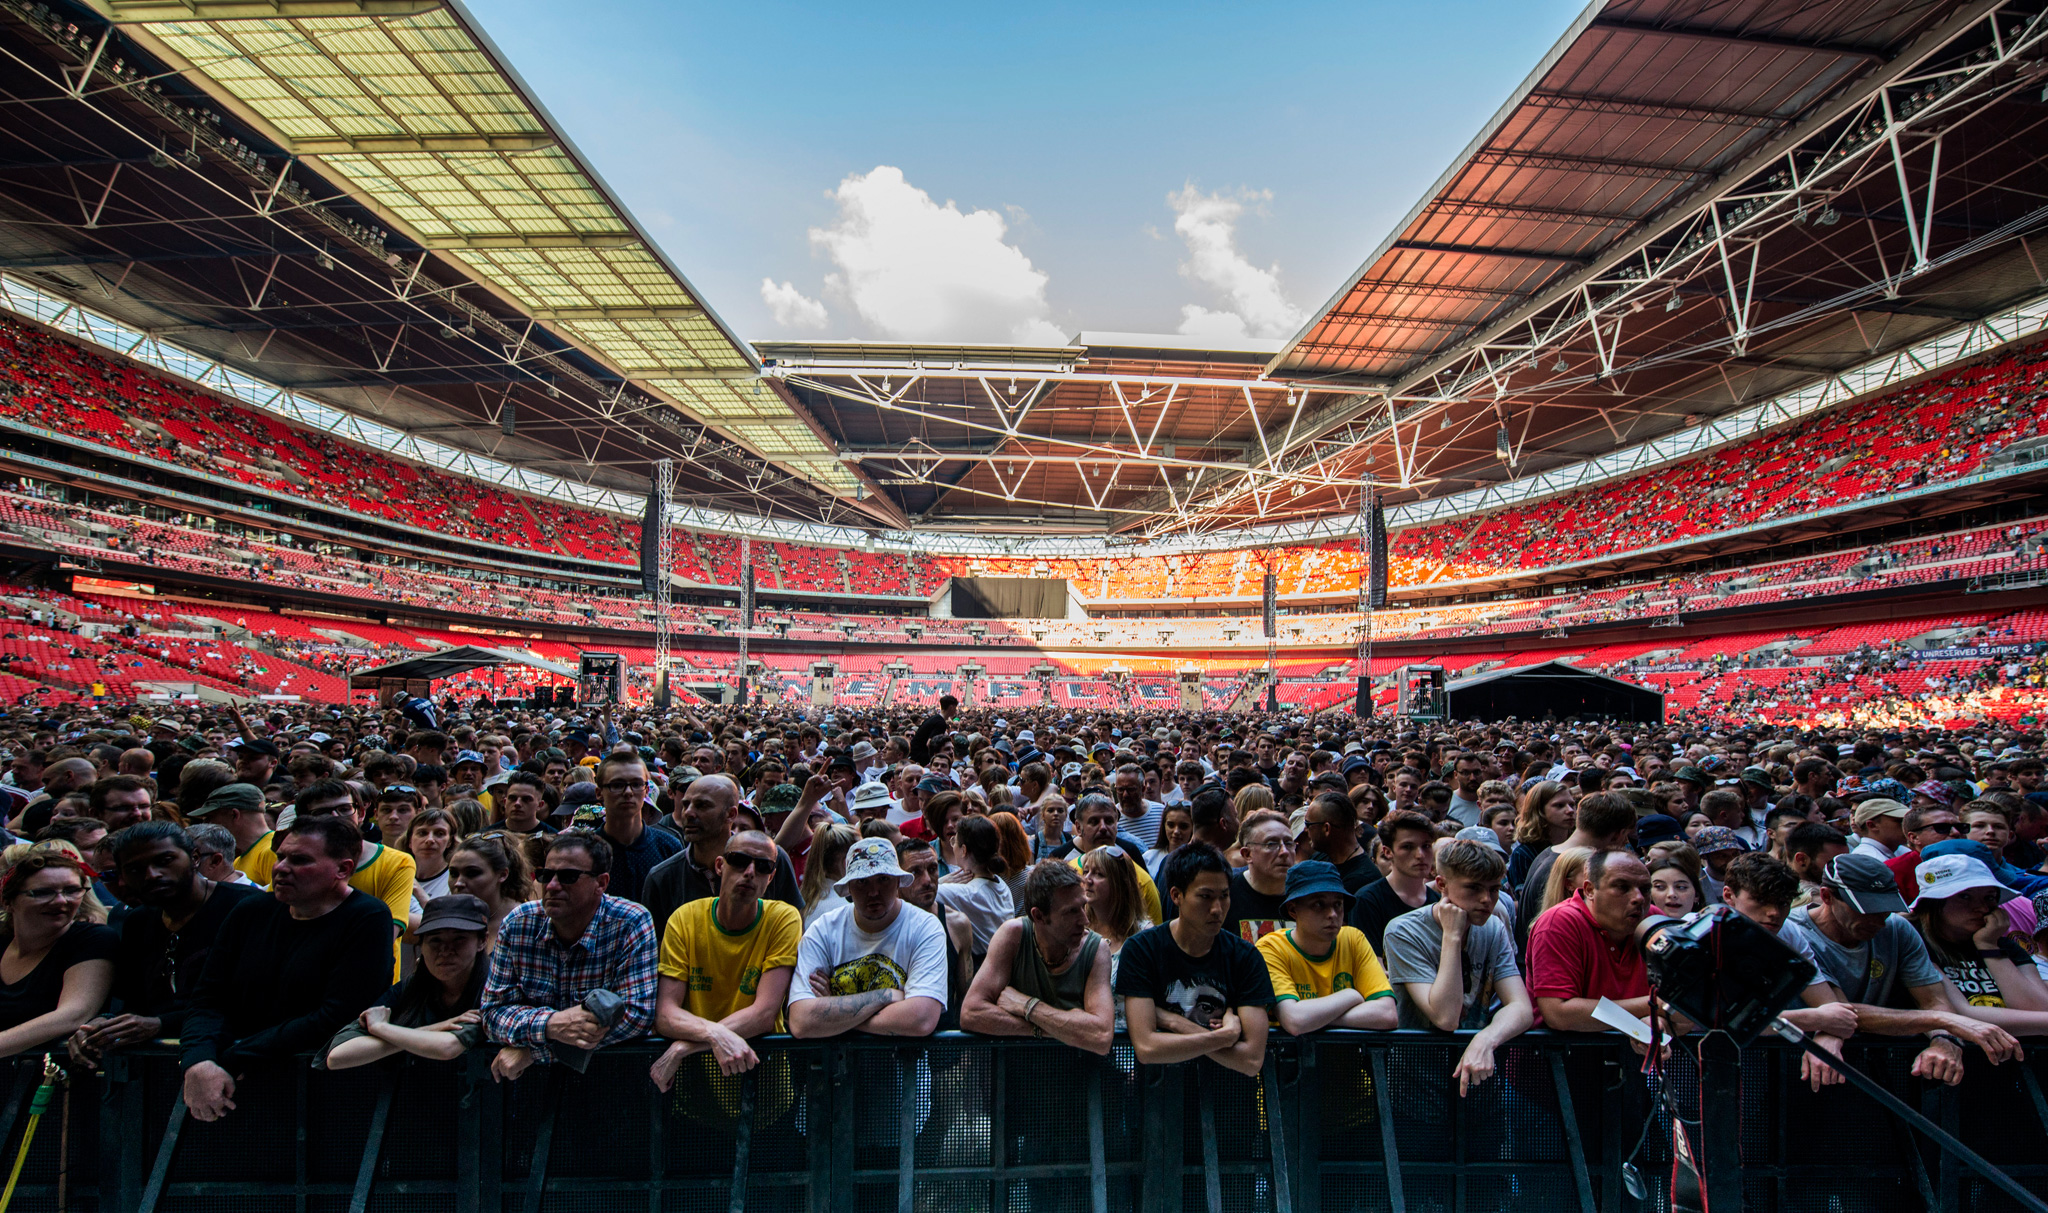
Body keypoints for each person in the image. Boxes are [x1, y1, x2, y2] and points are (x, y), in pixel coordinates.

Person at [179, 817, 396, 1121]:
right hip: (231, 1087)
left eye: (300, 860)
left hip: (325, 1093)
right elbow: (207, 998)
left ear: (343, 869)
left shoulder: (367, 918)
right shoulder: (251, 911)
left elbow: (339, 1013)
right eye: (280, 856)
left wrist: (233, 1057)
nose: (281, 867)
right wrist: (198, 1062)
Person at [1779, 855, 2030, 1086]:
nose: (1878, 920)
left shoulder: (1896, 927)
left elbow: (1934, 1000)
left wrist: (1943, 1040)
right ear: (1826, 896)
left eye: (1885, 908)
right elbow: (1840, 1013)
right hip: (1791, 1062)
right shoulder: (1794, 932)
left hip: (1873, 1065)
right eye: (1867, 909)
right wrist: (1945, 1021)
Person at [73, 822, 263, 1064]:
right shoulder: (138, 921)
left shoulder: (248, 908)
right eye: (135, 869)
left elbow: (252, 1002)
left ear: (194, 858)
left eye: (165, 861)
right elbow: (134, 1002)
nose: (152, 874)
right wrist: (103, 1025)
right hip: (156, 1068)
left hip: (234, 1061)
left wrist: (161, 1024)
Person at [480, 830, 658, 1082]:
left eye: (568, 877)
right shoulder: (518, 924)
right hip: (532, 1085)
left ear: (602, 883)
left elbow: (637, 1014)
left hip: (610, 1080)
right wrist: (552, 1024)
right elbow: (492, 1013)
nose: (551, 886)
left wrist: (538, 1051)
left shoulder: (630, 922)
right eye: (546, 875)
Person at [648, 829, 802, 1090]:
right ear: (720, 865)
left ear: (771, 877)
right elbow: (665, 1014)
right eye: (739, 860)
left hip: (762, 1086)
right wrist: (715, 1034)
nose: (750, 872)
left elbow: (764, 1013)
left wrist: (683, 1048)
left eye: (763, 866)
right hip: (694, 1090)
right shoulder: (684, 919)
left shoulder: (783, 919)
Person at [1383, 839, 1533, 1095]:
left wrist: (1486, 1038)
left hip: (1480, 1079)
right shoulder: (1403, 931)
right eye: (1473, 888)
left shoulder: (1493, 927)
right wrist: (1452, 936)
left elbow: (1521, 1007)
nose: (1487, 900)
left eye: (1494, 889)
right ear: (1442, 885)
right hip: (1417, 1088)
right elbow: (1446, 1017)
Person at [1115, 843, 1272, 1074]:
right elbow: (1147, 1048)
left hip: (1229, 1099)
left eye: (1225, 896)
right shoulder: (1141, 949)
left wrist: (1172, 1022)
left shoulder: (1245, 956)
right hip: (1157, 1096)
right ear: (1176, 896)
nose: (1217, 909)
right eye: (1205, 897)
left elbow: (1251, 1061)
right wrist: (1224, 1037)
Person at [1716, 853, 1855, 1089]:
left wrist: (1826, 1038)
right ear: (1729, 895)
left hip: (1764, 1069)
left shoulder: (1788, 932)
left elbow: (1832, 1009)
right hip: (1705, 1065)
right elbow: (1725, 1022)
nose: (1774, 913)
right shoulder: (1703, 934)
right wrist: (1819, 1020)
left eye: (1782, 903)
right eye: (1761, 900)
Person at [787, 837, 947, 1038]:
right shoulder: (823, 930)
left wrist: (834, 1010)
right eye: (863, 881)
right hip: (839, 1066)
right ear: (849, 888)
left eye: (883, 879)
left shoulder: (925, 928)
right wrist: (886, 996)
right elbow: (802, 1021)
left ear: (898, 881)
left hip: (905, 1065)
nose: (873, 892)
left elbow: (921, 1019)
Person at [961, 860, 1114, 1053]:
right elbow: (971, 1013)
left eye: (1083, 907)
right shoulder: (1013, 936)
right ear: (1039, 916)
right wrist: (1057, 1029)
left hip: (1078, 1076)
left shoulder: (1095, 949)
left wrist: (1028, 1007)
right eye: (1071, 912)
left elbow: (1100, 1035)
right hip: (1015, 1077)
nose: (1084, 920)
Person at [321, 894, 490, 1069]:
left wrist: (381, 1028)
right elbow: (338, 1055)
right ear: (421, 946)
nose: (445, 950)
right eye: (435, 940)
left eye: (459, 939)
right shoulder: (411, 987)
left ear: (482, 941)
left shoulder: (495, 988)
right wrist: (437, 1027)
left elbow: (448, 1046)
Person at [642, 773, 803, 937]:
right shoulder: (662, 878)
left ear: (731, 814)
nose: (688, 813)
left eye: (702, 805)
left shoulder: (768, 860)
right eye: (686, 805)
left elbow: (793, 933)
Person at [1257, 860, 1396, 1034]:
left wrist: (1314, 1019)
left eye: (1337, 904)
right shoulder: (1271, 948)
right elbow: (1294, 1020)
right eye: (1318, 904)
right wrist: (1350, 995)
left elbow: (1388, 1014)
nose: (1332, 914)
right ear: (1293, 910)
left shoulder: (1353, 939)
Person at [0, 849, 115, 1059]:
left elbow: (73, 1015)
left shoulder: (93, 939)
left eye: (72, 890)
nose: (61, 901)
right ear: (8, 902)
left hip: (61, 1080)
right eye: (43, 892)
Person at [1525, 850, 1653, 1032]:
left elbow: (1683, 1012)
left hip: (1635, 1055)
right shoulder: (1559, 923)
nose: (1638, 898)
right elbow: (1559, 1014)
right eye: (1622, 887)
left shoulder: (1654, 920)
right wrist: (1652, 1007)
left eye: (1645, 889)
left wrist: (1656, 1022)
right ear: (1590, 890)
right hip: (1560, 1055)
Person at [1906, 853, 2048, 1010]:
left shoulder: (2002, 945)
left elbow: (2040, 1007)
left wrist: (1989, 947)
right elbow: (1962, 1015)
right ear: (1933, 903)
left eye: (1990, 897)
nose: (1983, 908)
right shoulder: (1915, 941)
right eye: (1965, 896)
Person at [1515, 792, 1636, 944]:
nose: (1625, 842)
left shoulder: (1549, 854)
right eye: (1626, 836)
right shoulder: (1573, 868)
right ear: (1618, 834)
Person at [898, 838, 973, 1027]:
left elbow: (965, 996)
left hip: (942, 1041)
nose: (927, 881)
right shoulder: (884, 923)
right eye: (915, 872)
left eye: (932, 869)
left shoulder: (957, 923)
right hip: (893, 1034)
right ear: (898, 878)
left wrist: (963, 1052)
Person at [592, 753, 681, 906]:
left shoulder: (668, 846)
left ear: (646, 790)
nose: (628, 792)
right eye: (617, 785)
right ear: (599, 793)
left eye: (636, 784)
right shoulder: (587, 851)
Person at [1348, 811, 1439, 953]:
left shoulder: (1438, 902)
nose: (1420, 855)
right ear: (1388, 852)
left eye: (1426, 846)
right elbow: (1370, 965)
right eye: (1407, 847)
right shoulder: (1367, 900)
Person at [936, 814, 1013, 955]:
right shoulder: (1001, 884)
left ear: (963, 850)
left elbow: (918, 895)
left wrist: (940, 882)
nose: (953, 847)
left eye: (955, 841)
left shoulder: (965, 893)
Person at [447, 832, 536, 944]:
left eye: (472, 873)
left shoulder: (524, 920)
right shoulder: (447, 917)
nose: (458, 883)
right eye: (454, 874)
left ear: (502, 874)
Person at [1304, 792, 1374, 893]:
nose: (1305, 829)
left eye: (1308, 824)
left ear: (1326, 828)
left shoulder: (1363, 881)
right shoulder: (1319, 858)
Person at [405, 808, 457, 900]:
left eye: (439, 833)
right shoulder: (396, 873)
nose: (430, 839)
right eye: (422, 833)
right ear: (410, 841)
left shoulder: (456, 879)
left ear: (449, 841)